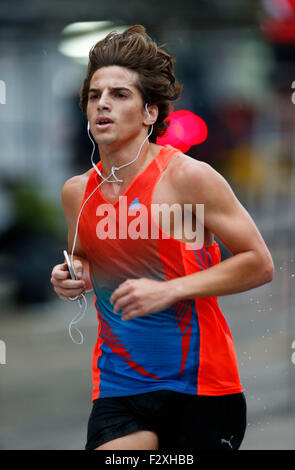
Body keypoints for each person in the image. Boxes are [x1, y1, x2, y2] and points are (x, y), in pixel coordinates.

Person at [50, 25, 274, 451]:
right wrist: (69, 275)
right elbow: (82, 258)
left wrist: (170, 290)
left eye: (120, 95)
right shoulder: (77, 192)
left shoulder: (187, 179)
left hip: (202, 387)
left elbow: (258, 262)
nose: (103, 105)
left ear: (150, 113)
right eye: (95, 96)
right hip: (120, 386)